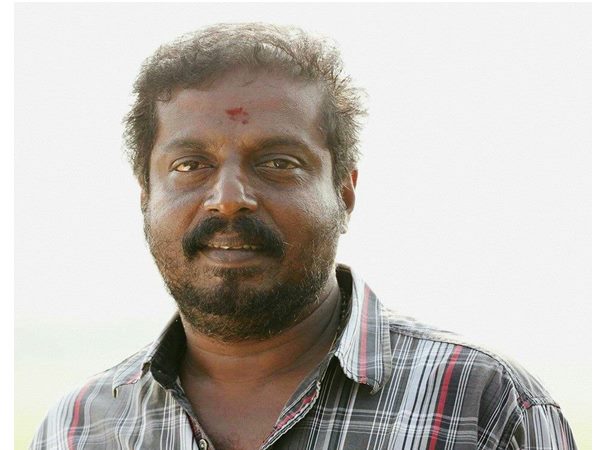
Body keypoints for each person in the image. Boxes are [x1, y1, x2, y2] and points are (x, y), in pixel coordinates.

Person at [30, 23, 577, 450]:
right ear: (146, 197)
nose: (228, 198)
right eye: (190, 164)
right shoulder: (76, 429)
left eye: (278, 162)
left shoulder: (485, 407)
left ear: (344, 193)